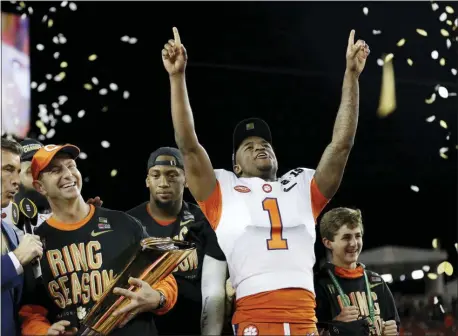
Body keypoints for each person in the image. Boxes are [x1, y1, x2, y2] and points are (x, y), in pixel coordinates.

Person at [161, 27, 370, 335]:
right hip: (254, 317)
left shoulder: (301, 185)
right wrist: (177, 78)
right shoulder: (222, 190)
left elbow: (341, 145)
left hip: (305, 319)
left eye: (265, 144)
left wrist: (351, 76)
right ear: (236, 166)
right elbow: (189, 146)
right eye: (248, 146)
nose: (260, 146)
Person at [19, 144, 178, 336]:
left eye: (71, 166)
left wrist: (158, 298)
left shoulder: (123, 223)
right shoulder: (36, 244)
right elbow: (30, 313)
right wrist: (45, 332)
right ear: (40, 186)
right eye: (55, 170)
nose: (68, 174)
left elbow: (163, 275)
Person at [127, 147, 227, 335]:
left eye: (172, 175)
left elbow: (215, 285)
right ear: (147, 181)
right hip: (148, 325)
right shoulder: (129, 223)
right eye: (156, 175)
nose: (163, 183)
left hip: (194, 324)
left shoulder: (204, 220)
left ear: (187, 180)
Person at [315, 207, 400, 336]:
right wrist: (336, 325)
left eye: (358, 236)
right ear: (328, 243)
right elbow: (308, 331)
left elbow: (394, 324)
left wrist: (392, 331)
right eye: (346, 237)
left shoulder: (376, 282)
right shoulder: (319, 284)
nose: (354, 243)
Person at [1, 138, 43, 336]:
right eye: (8, 169)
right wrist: (16, 260)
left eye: (18, 171)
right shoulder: (18, 248)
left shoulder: (10, 234)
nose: (16, 180)